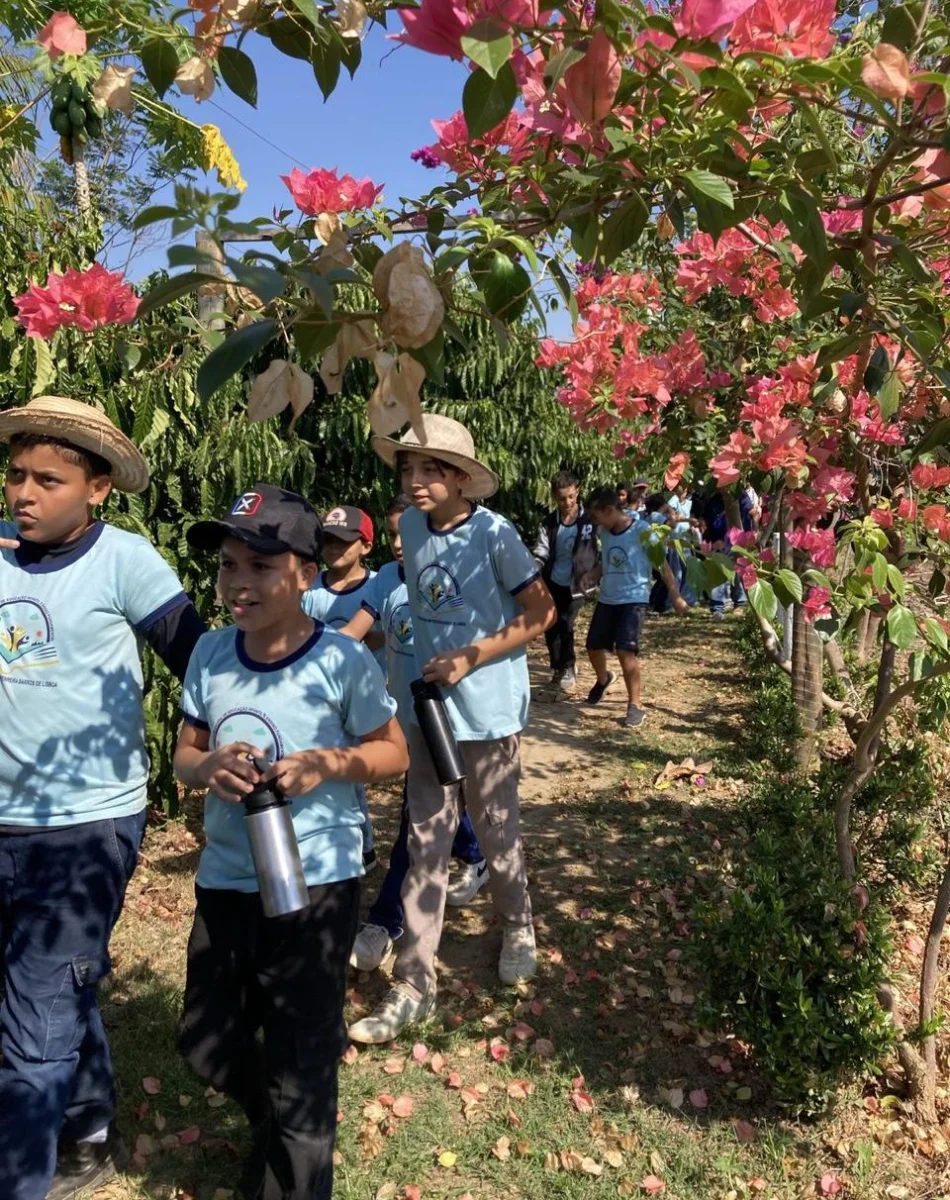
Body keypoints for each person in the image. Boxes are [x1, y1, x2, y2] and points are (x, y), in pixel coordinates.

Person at [175, 483, 407, 1200]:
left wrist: (327, 765)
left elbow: (392, 751)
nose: (238, 584)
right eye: (229, 567)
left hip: (318, 883)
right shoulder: (212, 654)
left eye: (260, 567)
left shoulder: (340, 661)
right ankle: (273, 1119)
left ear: (306, 574)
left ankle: (292, 1164)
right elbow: (185, 754)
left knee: (302, 1059)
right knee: (206, 1040)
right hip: (227, 878)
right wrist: (208, 767)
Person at [0, 396, 206, 1200]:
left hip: (84, 830)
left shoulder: (125, 561)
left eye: (48, 479)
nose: (24, 491)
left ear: (98, 489)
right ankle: (87, 1132)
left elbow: (202, 663)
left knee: (35, 1021)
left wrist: (210, 759)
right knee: (40, 988)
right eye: (16, 474)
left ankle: (19, 1176)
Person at [348, 414, 555, 1044]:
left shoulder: (495, 534)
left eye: (430, 469)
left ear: (462, 478)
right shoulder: (410, 528)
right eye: (408, 468)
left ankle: (517, 921)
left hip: (487, 709)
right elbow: (420, 616)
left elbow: (541, 611)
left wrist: (472, 657)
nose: (414, 481)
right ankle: (414, 983)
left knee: (495, 829)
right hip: (426, 712)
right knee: (425, 839)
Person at [341, 495, 488, 974]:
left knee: (415, 821)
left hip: (451, 719)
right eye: (392, 534)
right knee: (435, 808)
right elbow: (355, 632)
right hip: (407, 721)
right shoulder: (385, 578)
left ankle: (384, 922)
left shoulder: (453, 572)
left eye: (408, 532)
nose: (400, 544)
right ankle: (473, 851)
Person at [301, 504, 382, 868]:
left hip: (368, 693)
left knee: (352, 767)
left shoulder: (379, 585)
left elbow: (382, 636)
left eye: (344, 542)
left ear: (365, 546)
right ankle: (363, 844)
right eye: (328, 541)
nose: (334, 549)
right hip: (324, 694)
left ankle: (361, 842)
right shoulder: (310, 587)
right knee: (345, 768)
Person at [582, 485, 688, 728]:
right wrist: (592, 574)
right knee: (593, 647)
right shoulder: (605, 534)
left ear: (609, 510)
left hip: (634, 600)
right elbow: (606, 563)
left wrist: (675, 596)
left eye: (596, 516)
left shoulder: (643, 531)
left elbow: (662, 565)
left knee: (625, 651)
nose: (594, 521)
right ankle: (603, 679)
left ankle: (635, 705)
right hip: (608, 598)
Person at [532, 470, 598, 693]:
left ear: (577, 492)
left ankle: (568, 667)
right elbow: (541, 551)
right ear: (554, 497)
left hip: (578, 584)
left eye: (571, 496)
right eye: (561, 498)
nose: (567, 502)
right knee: (551, 625)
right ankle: (558, 667)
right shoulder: (549, 523)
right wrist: (532, 572)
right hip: (553, 582)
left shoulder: (590, 520)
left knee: (566, 623)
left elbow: (603, 545)